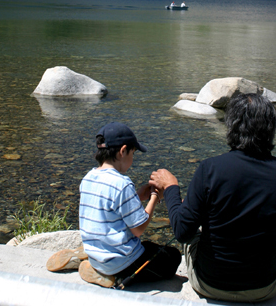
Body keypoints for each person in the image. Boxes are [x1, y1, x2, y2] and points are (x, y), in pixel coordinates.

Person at [149, 93, 276, 302]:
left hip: (208, 284)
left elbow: (182, 232)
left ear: (231, 126)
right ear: (271, 128)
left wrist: (171, 188)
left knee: (195, 227)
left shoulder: (209, 169)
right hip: (264, 288)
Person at [47, 122, 181, 288]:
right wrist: (154, 196)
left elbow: (107, 208)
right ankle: (111, 276)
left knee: (148, 247)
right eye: (133, 153)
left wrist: (137, 197)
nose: (132, 158)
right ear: (123, 151)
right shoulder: (122, 184)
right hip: (121, 263)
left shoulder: (88, 177)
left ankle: (91, 260)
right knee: (173, 256)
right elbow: (138, 229)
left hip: (95, 252)